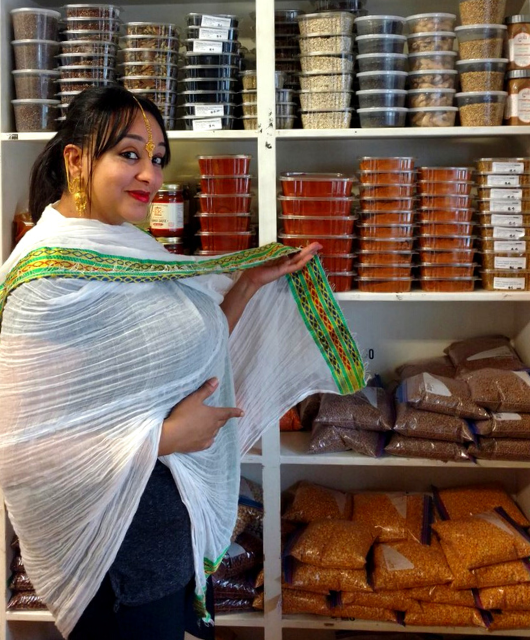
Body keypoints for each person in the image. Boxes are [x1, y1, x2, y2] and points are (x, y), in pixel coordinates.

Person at [0, 86, 365, 639]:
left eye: (157, 159)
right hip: (118, 564)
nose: (150, 175)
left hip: (166, 548)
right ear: (76, 159)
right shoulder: (46, 283)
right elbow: (23, 453)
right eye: (129, 154)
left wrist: (246, 286)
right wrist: (167, 438)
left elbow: (183, 353)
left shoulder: (123, 247)